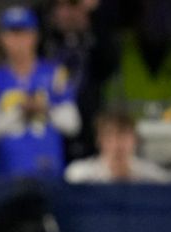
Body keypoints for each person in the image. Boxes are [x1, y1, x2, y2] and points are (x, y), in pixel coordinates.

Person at [0, 5, 81, 181]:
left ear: (35, 36)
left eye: (24, 33)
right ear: (2, 38)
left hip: (49, 168)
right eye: (12, 33)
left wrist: (44, 109)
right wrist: (21, 110)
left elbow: (72, 124)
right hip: (6, 171)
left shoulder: (55, 73)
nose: (18, 41)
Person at [39, 0, 119, 161]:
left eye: (75, 6)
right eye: (64, 6)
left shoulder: (94, 38)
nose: (70, 14)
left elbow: (111, 64)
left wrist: (94, 17)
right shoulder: (43, 40)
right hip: (49, 131)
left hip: (88, 128)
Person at [65, 109, 171, 183]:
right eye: (109, 137)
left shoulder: (154, 178)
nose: (117, 144)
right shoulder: (80, 177)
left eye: (123, 136)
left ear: (135, 140)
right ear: (99, 140)